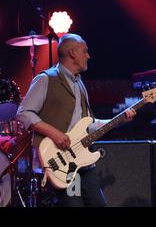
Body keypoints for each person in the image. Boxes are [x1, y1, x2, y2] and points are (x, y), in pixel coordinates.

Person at [16, 33, 136, 207]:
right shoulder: (45, 79)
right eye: (85, 51)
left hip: (83, 160)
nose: (88, 55)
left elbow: (89, 123)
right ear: (72, 53)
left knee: (98, 204)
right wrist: (55, 134)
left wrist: (119, 120)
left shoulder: (80, 83)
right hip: (61, 161)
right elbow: (24, 112)